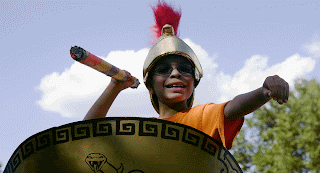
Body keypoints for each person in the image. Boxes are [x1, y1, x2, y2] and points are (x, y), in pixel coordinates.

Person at [83, 0, 289, 150]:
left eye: (184, 69)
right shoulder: (140, 132)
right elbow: (84, 137)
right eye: (164, 70)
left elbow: (233, 108)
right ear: (150, 84)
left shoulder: (201, 117)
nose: (175, 73)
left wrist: (263, 91)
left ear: (194, 81)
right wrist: (114, 87)